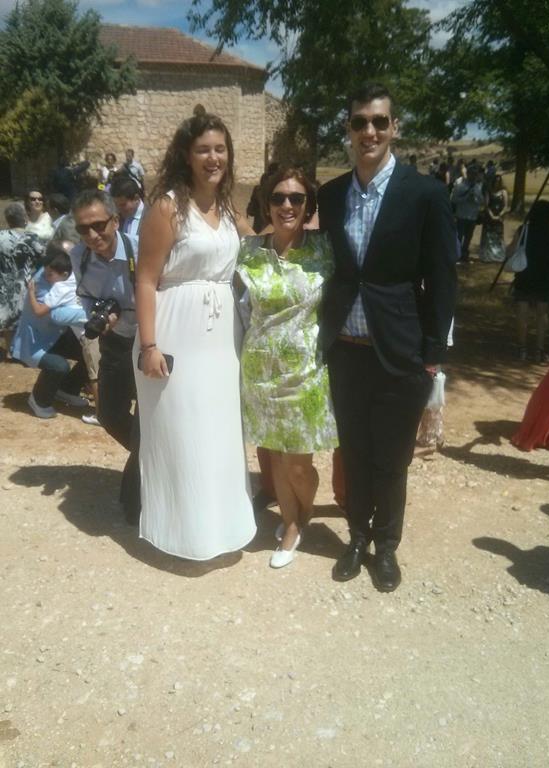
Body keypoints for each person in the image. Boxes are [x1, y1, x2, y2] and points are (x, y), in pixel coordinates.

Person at [317, 81, 457, 592]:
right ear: (349, 130)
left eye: (379, 121)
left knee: (392, 460)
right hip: (346, 352)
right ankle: (356, 537)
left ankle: (387, 546)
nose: (369, 131)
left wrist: (433, 356)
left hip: (401, 352)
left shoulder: (425, 194)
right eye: (360, 122)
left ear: (394, 127)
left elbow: (443, 278)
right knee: (354, 452)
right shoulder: (331, 195)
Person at [134, 112, 256, 560]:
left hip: (222, 339)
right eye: (203, 149)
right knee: (182, 433)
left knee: (219, 430)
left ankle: (223, 528)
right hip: (175, 333)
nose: (213, 157)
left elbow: (258, 245)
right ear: (186, 155)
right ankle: (184, 534)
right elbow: (146, 279)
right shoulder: (167, 208)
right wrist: (150, 346)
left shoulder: (227, 208)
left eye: (220, 149)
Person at [237, 167, 338, 568]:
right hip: (261, 373)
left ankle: (305, 512)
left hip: (306, 375)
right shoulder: (249, 251)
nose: (287, 205)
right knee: (276, 457)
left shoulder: (324, 249)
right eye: (278, 198)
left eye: (297, 198)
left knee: (298, 465)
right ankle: (292, 524)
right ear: (267, 204)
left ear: (308, 205)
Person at [70, 189, 141, 522]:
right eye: (83, 229)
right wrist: (98, 315)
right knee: (109, 415)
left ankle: (140, 489)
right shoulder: (80, 257)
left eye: (98, 225)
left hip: (148, 343)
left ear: (115, 221)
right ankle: (152, 458)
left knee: (147, 423)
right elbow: (84, 296)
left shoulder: (141, 248)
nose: (92, 235)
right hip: (115, 342)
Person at [11, 242, 88, 418]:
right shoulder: (43, 280)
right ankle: (39, 400)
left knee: (89, 353)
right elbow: (55, 315)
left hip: (56, 337)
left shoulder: (63, 276)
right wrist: (89, 315)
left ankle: (67, 389)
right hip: (34, 343)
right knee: (59, 366)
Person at [511, 200, 549, 362]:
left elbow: (511, 250)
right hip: (544, 277)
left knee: (522, 313)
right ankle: (539, 350)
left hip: (524, 276)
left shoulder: (523, 230)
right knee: (542, 315)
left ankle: (522, 349)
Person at [0, 202, 45, 357]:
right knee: (25, 316)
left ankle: (10, 350)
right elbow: (43, 256)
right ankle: (23, 349)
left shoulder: (1, 237)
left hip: (4, 283)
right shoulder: (31, 238)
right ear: (24, 218)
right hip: (26, 283)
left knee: (8, 316)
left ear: (8, 219)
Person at [451, 165, 484, 262]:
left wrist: (475, 198)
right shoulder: (460, 186)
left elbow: (481, 201)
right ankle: (457, 255)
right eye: (472, 174)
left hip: (472, 216)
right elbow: (454, 199)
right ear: (468, 174)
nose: (474, 176)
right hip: (462, 215)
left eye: (475, 174)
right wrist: (466, 197)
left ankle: (464, 254)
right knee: (459, 237)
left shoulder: (478, 187)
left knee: (468, 237)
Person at [479, 174, 508, 263]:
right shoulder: (489, 191)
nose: (497, 183)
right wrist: (491, 215)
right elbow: (486, 205)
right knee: (488, 236)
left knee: (498, 236)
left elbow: (505, 206)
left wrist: (499, 215)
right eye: (495, 181)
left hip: (499, 217)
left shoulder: (503, 192)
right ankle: (487, 256)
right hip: (489, 216)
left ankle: (498, 255)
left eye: (498, 181)